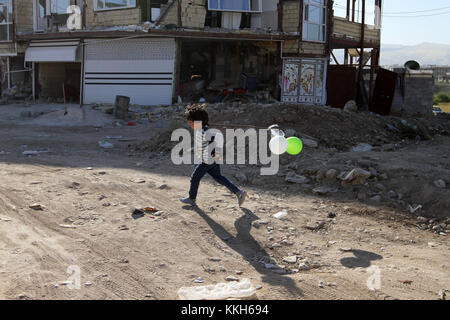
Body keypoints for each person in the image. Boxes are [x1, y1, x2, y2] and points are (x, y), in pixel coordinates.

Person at [179, 104, 247, 207]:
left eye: (190, 122)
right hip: (213, 158)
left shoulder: (205, 131)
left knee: (195, 178)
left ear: (197, 122)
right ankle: (239, 193)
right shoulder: (203, 129)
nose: (189, 124)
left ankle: (192, 198)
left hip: (209, 160)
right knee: (218, 177)